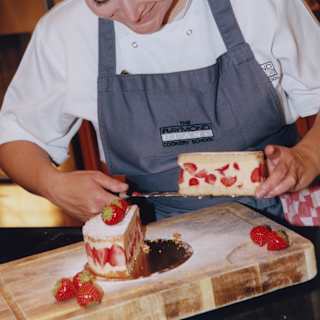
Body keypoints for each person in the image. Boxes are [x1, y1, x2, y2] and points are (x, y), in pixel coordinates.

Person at [0, 0, 319, 222]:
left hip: (284, 218)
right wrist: (52, 185)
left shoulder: (256, 5)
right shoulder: (66, 31)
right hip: (158, 237)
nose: (132, 12)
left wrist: (308, 157)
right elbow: (16, 135)